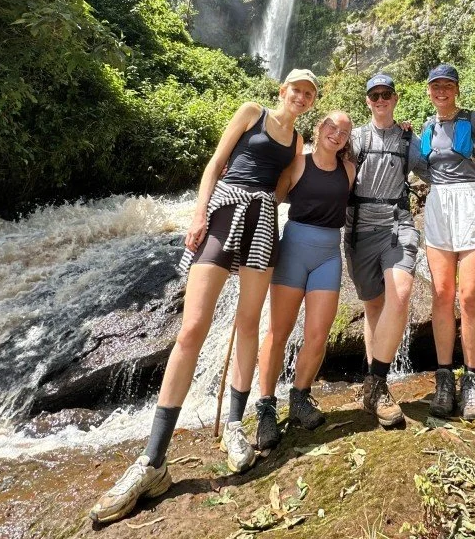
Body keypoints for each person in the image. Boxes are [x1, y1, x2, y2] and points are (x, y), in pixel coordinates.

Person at [89, 69, 317, 524]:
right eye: (297, 90)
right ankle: (153, 460)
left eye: (310, 94)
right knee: (192, 328)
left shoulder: (297, 142)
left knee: (248, 323)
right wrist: (198, 214)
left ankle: (234, 425)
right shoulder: (252, 113)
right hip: (224, 211)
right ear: (283, 91)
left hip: (262, 221)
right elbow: (215, 164)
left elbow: (285, 187)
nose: (302, 98)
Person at [253, 111, 357, 452]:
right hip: (294, 248)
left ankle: (300, 397)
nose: (337, 134)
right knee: (278, 331)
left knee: (317, 333)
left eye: (344, 131)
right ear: (320, 127)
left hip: (329, 253)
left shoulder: (348, 169)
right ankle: (266, 408)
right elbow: (273, 199)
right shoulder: (298, 162)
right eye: (332, 127)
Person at [345, 73, 424, 427]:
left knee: (401, 293)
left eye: (386, 94)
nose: (380, 100)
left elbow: (439, 168)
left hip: (397, 224)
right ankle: (374, 390)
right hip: (359, 230)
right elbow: (328, 170)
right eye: (374, 95)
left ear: (395, 98)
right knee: (373, 305)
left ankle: (377, 381)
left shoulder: (409, 139)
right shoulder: (355, 138)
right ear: (367, 101)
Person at [418, 64, 475, 422]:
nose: (442, 91)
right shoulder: (426, 128)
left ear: (457, 89)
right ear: (430, 92)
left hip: (474, 201)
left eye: (448, 85)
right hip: (439, 204)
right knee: (443, 293)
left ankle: (473, 380)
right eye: (436, 86)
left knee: (469, 296)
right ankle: (445, 378)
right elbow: (421, 166)